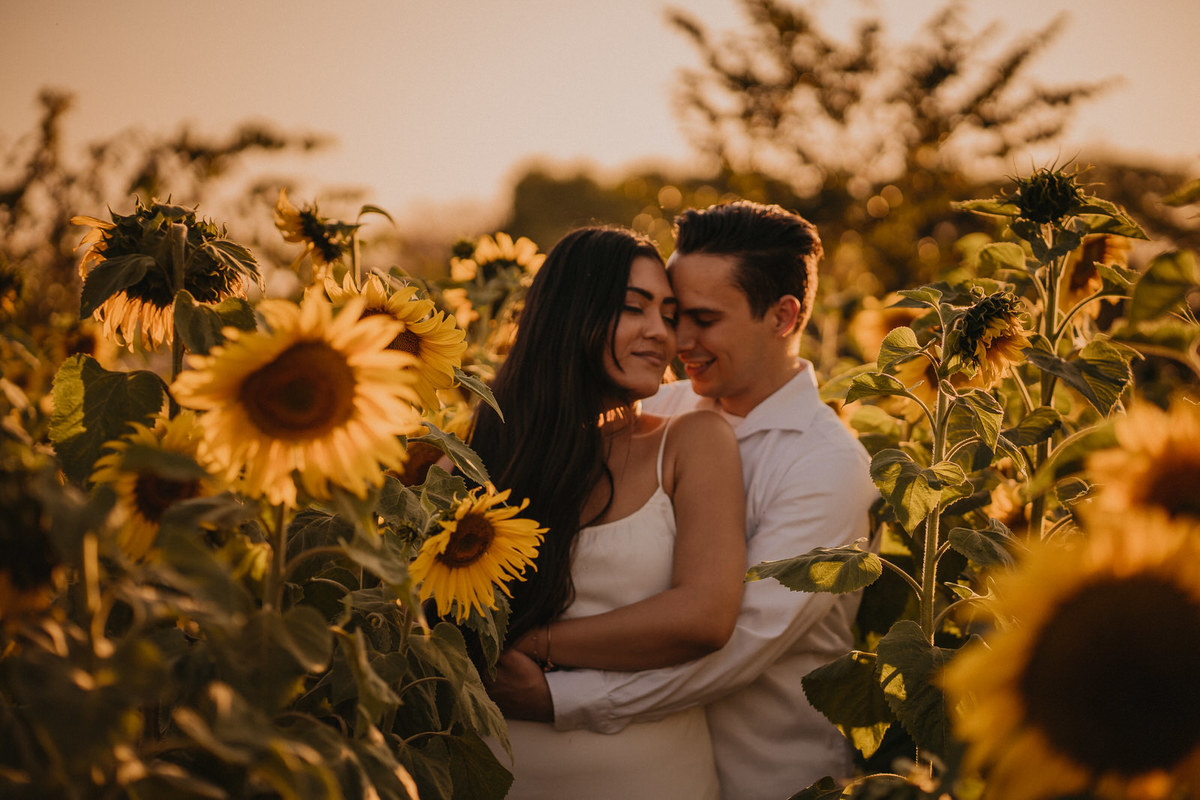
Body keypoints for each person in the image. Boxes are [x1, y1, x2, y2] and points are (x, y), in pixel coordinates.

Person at [487, 201, 878, 800]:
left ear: (783, 316)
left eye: (702, 319)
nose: (677, 340)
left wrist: (554, 692)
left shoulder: (826, 466)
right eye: (672, 314)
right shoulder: (655, 408)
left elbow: (735, 644)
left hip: (763, 779)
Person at [469, 226, 747, 800]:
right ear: (568, 313)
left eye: (668, 314)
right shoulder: (482, 453)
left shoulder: (692, 441)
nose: (661, 333)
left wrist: (534, 644)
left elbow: (704, 616)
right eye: (632, 307)